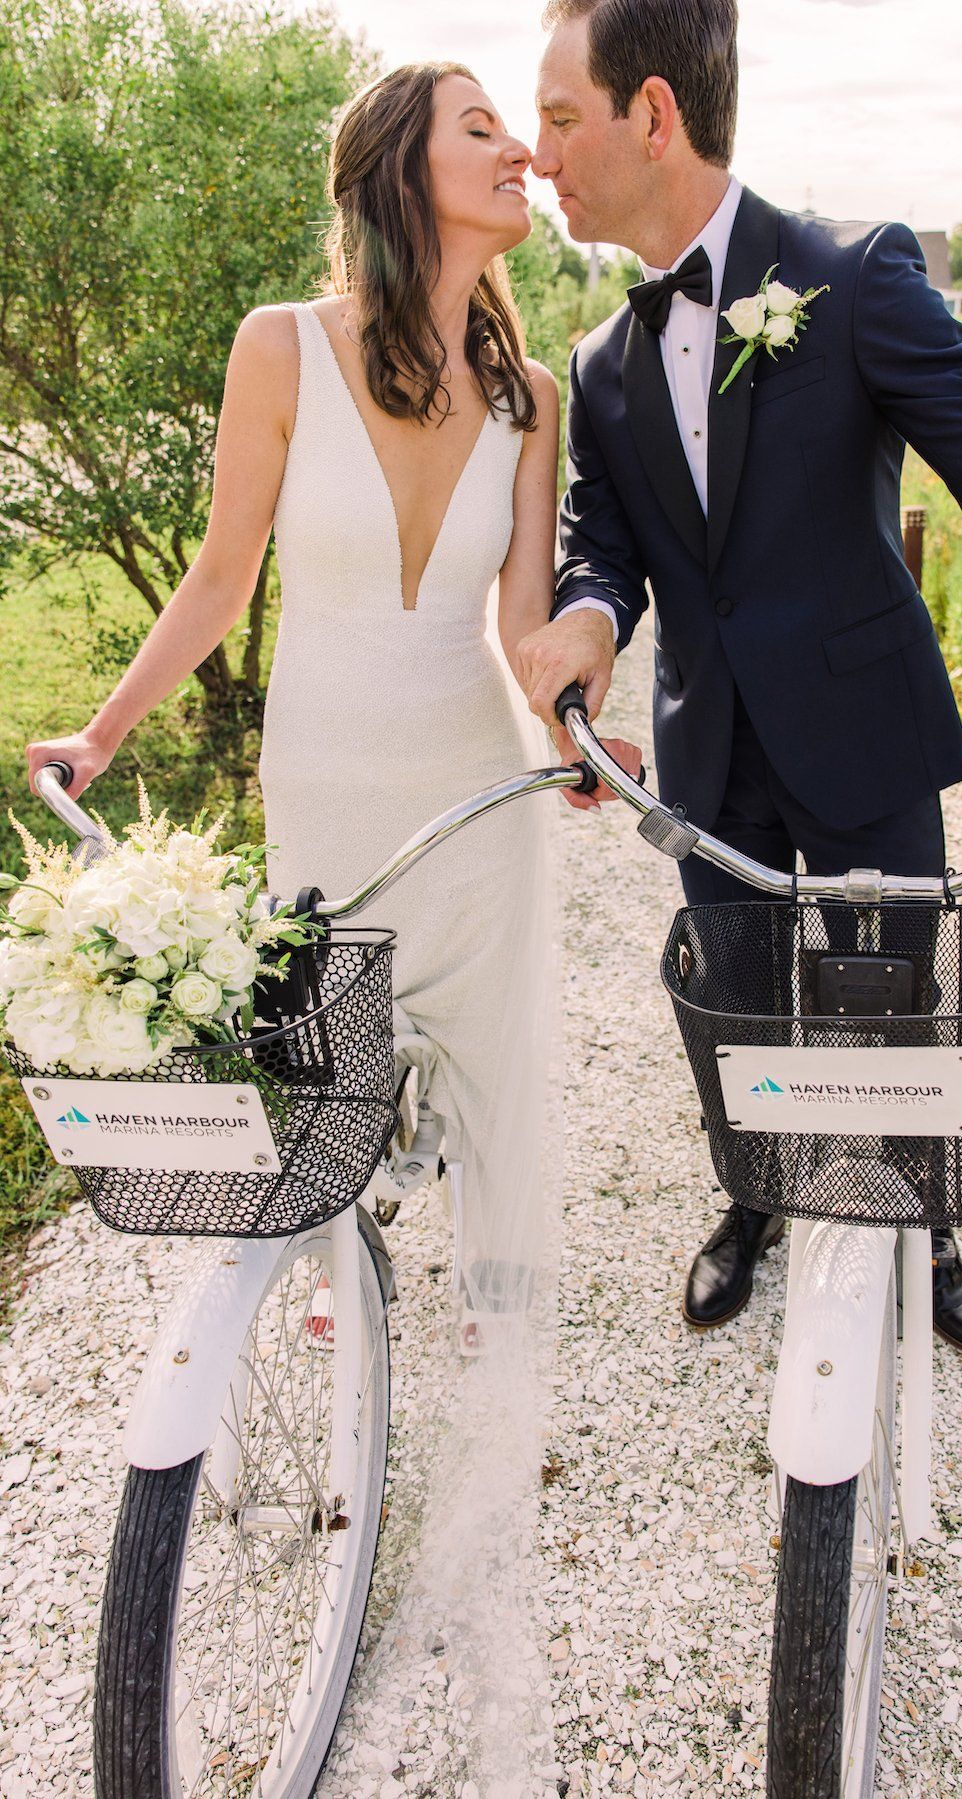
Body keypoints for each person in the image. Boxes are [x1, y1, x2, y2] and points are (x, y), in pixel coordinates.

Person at [24, 61, 638, 1793]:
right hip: (328, 800)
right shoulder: (276, 342)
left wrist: (581, 725)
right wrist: (108, 733)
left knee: (489, 1122)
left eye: (519, 132)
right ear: (398, 164)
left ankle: (475, 1466)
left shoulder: (532, 392)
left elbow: (527, 628)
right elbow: (223, 574)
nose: (520, 148)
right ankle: (324, 1312)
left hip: (475, 813)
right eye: (481, 129)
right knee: (320, 1108)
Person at [517, 0, 962, 1355]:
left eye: (556, 118)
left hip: (866, 735)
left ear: (653, 116)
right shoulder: (601, 365)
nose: (541, 157)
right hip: (709, 758)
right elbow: (603, 543)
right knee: (736, 1010)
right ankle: (754, 1200)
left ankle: (927, 1219)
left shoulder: (856, 277)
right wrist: (587, 618)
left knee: (899, 1012)